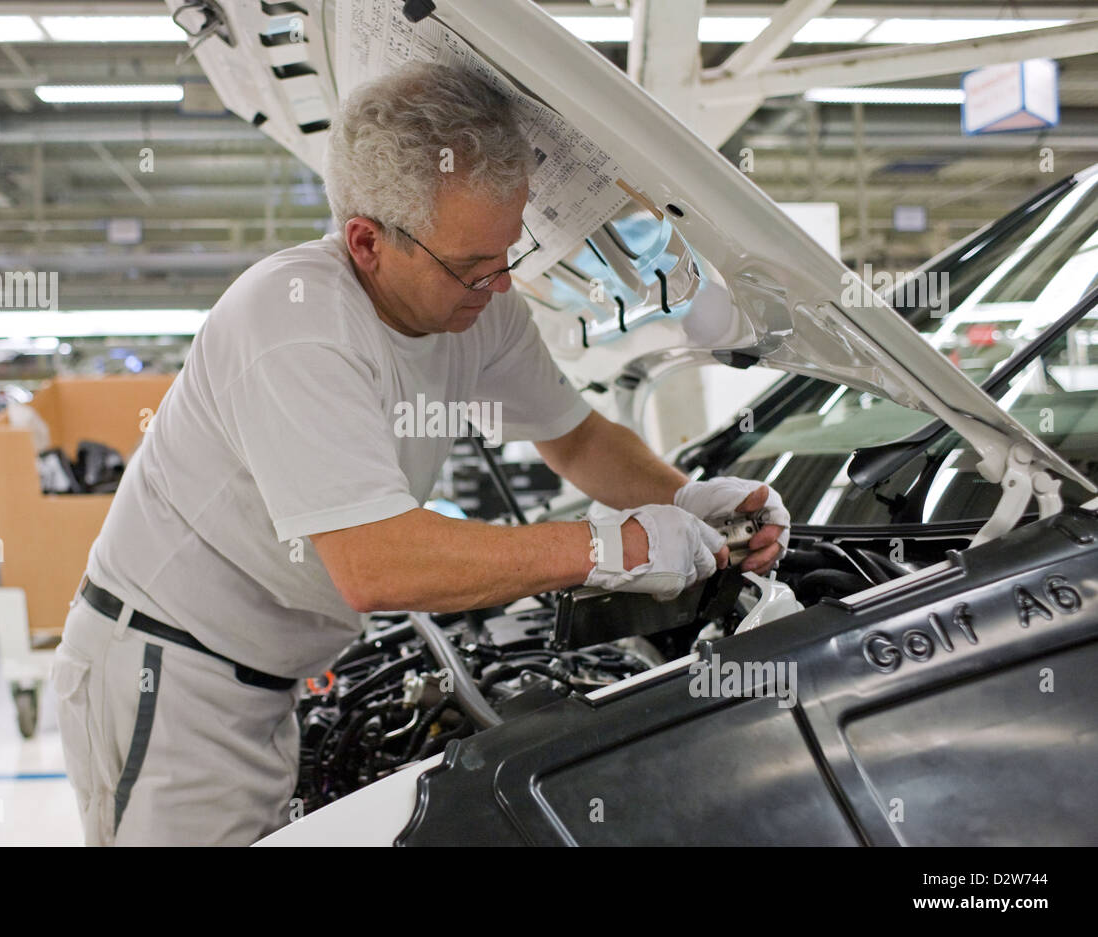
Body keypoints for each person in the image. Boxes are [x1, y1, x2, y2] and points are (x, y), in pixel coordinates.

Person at [50, 61, 789, 847]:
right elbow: (378, 566)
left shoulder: (477, 306)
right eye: (472, 266)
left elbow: (575, 435)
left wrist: (685, 499)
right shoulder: (296, 325)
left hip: (266, 675)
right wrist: (614, 547)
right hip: (170, 677)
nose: (500, 284)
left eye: (511, 251)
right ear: (367, 242)